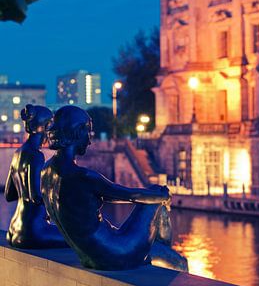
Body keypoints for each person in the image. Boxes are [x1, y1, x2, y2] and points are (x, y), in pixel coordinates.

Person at [41, 105, 188, 271]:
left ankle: (154, 252)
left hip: (88, 257)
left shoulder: (46, 171)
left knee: (153, 197)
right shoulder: (83, 177)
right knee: (179, 260)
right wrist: (163, 196)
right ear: (76, 132)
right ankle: (160, 257)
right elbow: (130, 195)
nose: (89, 141)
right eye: (87, 133)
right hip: (116, 253)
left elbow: (113, 196)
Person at [5, 104, 67, 249]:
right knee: (77, 237)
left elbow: (9, 195)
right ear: (45, 127)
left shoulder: (17, 154)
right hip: (33, 231)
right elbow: (36, 197)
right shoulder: (36, 156)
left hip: (14, 229)